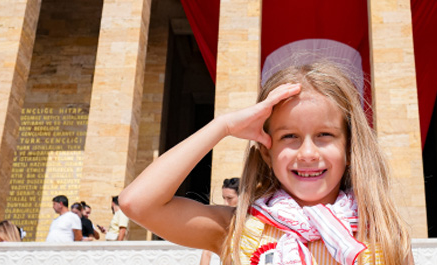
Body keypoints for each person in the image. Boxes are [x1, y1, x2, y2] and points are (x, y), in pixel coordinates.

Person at [119, 61, 413, 265]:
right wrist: (224, 125)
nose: (308, 153)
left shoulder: (383, 233)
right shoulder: (236, 229)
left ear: (350, 149)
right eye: (290, 136)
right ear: (265, 153)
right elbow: (136, 203)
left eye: (325, 135)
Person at [199, 178, 241, 265]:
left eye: (229, 198)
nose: (225, 203)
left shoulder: (253, 221)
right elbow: (207, 252)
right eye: (224, 198)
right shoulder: (220, 220)